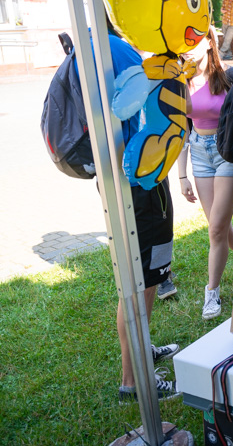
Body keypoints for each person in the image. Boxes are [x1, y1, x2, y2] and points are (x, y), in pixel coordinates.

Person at [75, 24, 180, 401]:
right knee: (142, 280)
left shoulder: (86, 45)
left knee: (138, 277)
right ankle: (134, 381)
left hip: (122, 180)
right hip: (138, 182)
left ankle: (141, 351)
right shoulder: (116, 49)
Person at [177, 27, 233, 320]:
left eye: (192, 41)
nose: (187, 50)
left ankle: (211, 293)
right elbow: (182, 129)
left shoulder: (229, 77)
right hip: (199, 153)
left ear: (208, 42)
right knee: (220, 227)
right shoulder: (179, 81)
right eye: (182, 44)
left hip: (228, 152)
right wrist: (182, 175)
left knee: (216, 227)